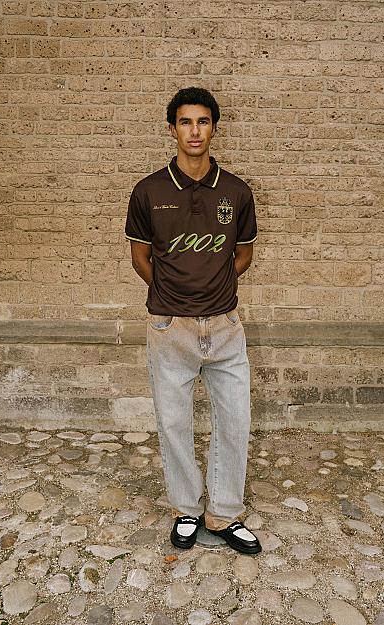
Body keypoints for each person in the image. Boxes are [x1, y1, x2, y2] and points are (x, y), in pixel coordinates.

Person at [125, 87, 261, 554]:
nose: (194, 131)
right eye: (185, 122)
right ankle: (186, 509)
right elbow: (140, 257)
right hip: (170, 327)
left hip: (224, 325)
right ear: (172, 129)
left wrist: (213, 285)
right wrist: (172, 293)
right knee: (174, 423)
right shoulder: (149, 191)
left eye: (203, 122)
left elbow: (243, 255)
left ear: (214, 128)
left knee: (235, 420)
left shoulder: (237, 192)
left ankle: (223, 514)